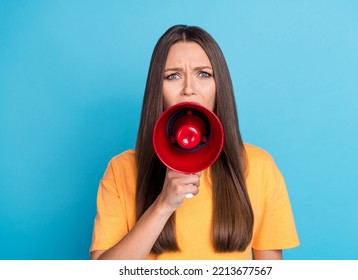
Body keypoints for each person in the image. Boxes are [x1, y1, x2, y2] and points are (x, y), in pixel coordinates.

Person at [89, 25, 300, 260]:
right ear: (156, 91)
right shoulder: (122, 169)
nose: (189, 89)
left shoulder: (258, 166)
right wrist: (163, 205)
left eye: (204, 74)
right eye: (173, 76)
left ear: (220, 86)